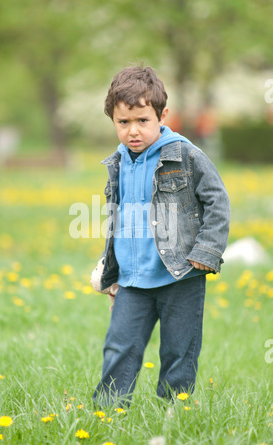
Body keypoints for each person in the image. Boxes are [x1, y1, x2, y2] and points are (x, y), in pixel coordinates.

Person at [91, 66, 230, 407]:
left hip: (180, 275)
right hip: (133, 282)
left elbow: (218, 202)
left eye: (142, 120)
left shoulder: (184, 154)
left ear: (162, 115)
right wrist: (111, 268)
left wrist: (206, 250)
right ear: (113, 120)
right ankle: (107, 415)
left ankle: (173, 414)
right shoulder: (119, 161)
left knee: (178, 351)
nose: (133, 131)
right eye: (123, 123)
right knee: (119, 347)